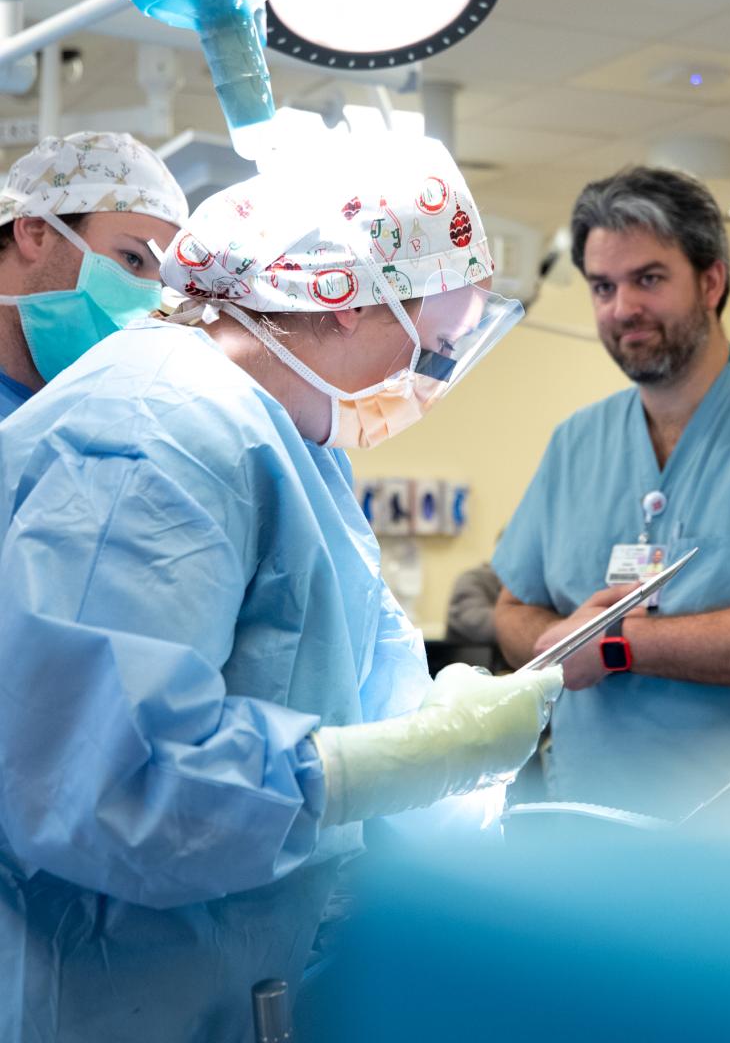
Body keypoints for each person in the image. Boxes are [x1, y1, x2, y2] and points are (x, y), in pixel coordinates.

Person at [0, 134, 561, 1042]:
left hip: (243, 974)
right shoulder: (153, 432)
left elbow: (356, 680)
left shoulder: (292, 441)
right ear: (343, 300)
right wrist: (418, 758)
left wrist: (443, 751)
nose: (424, 387)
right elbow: (106, 780)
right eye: (430, 351)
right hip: (114, 992)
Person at [493, 166, 730, 818]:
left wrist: (618, 647)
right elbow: (511, 610)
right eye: (603, 287)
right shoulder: (576, 442)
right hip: (582, 825)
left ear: (711, 281)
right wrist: (560, 638)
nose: (622, 308)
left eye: (648, 279)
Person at [0, 131, 187, 419]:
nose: (151, 305)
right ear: (36, 232)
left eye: (162, 283)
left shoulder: (81, 422)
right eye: (133, 259)